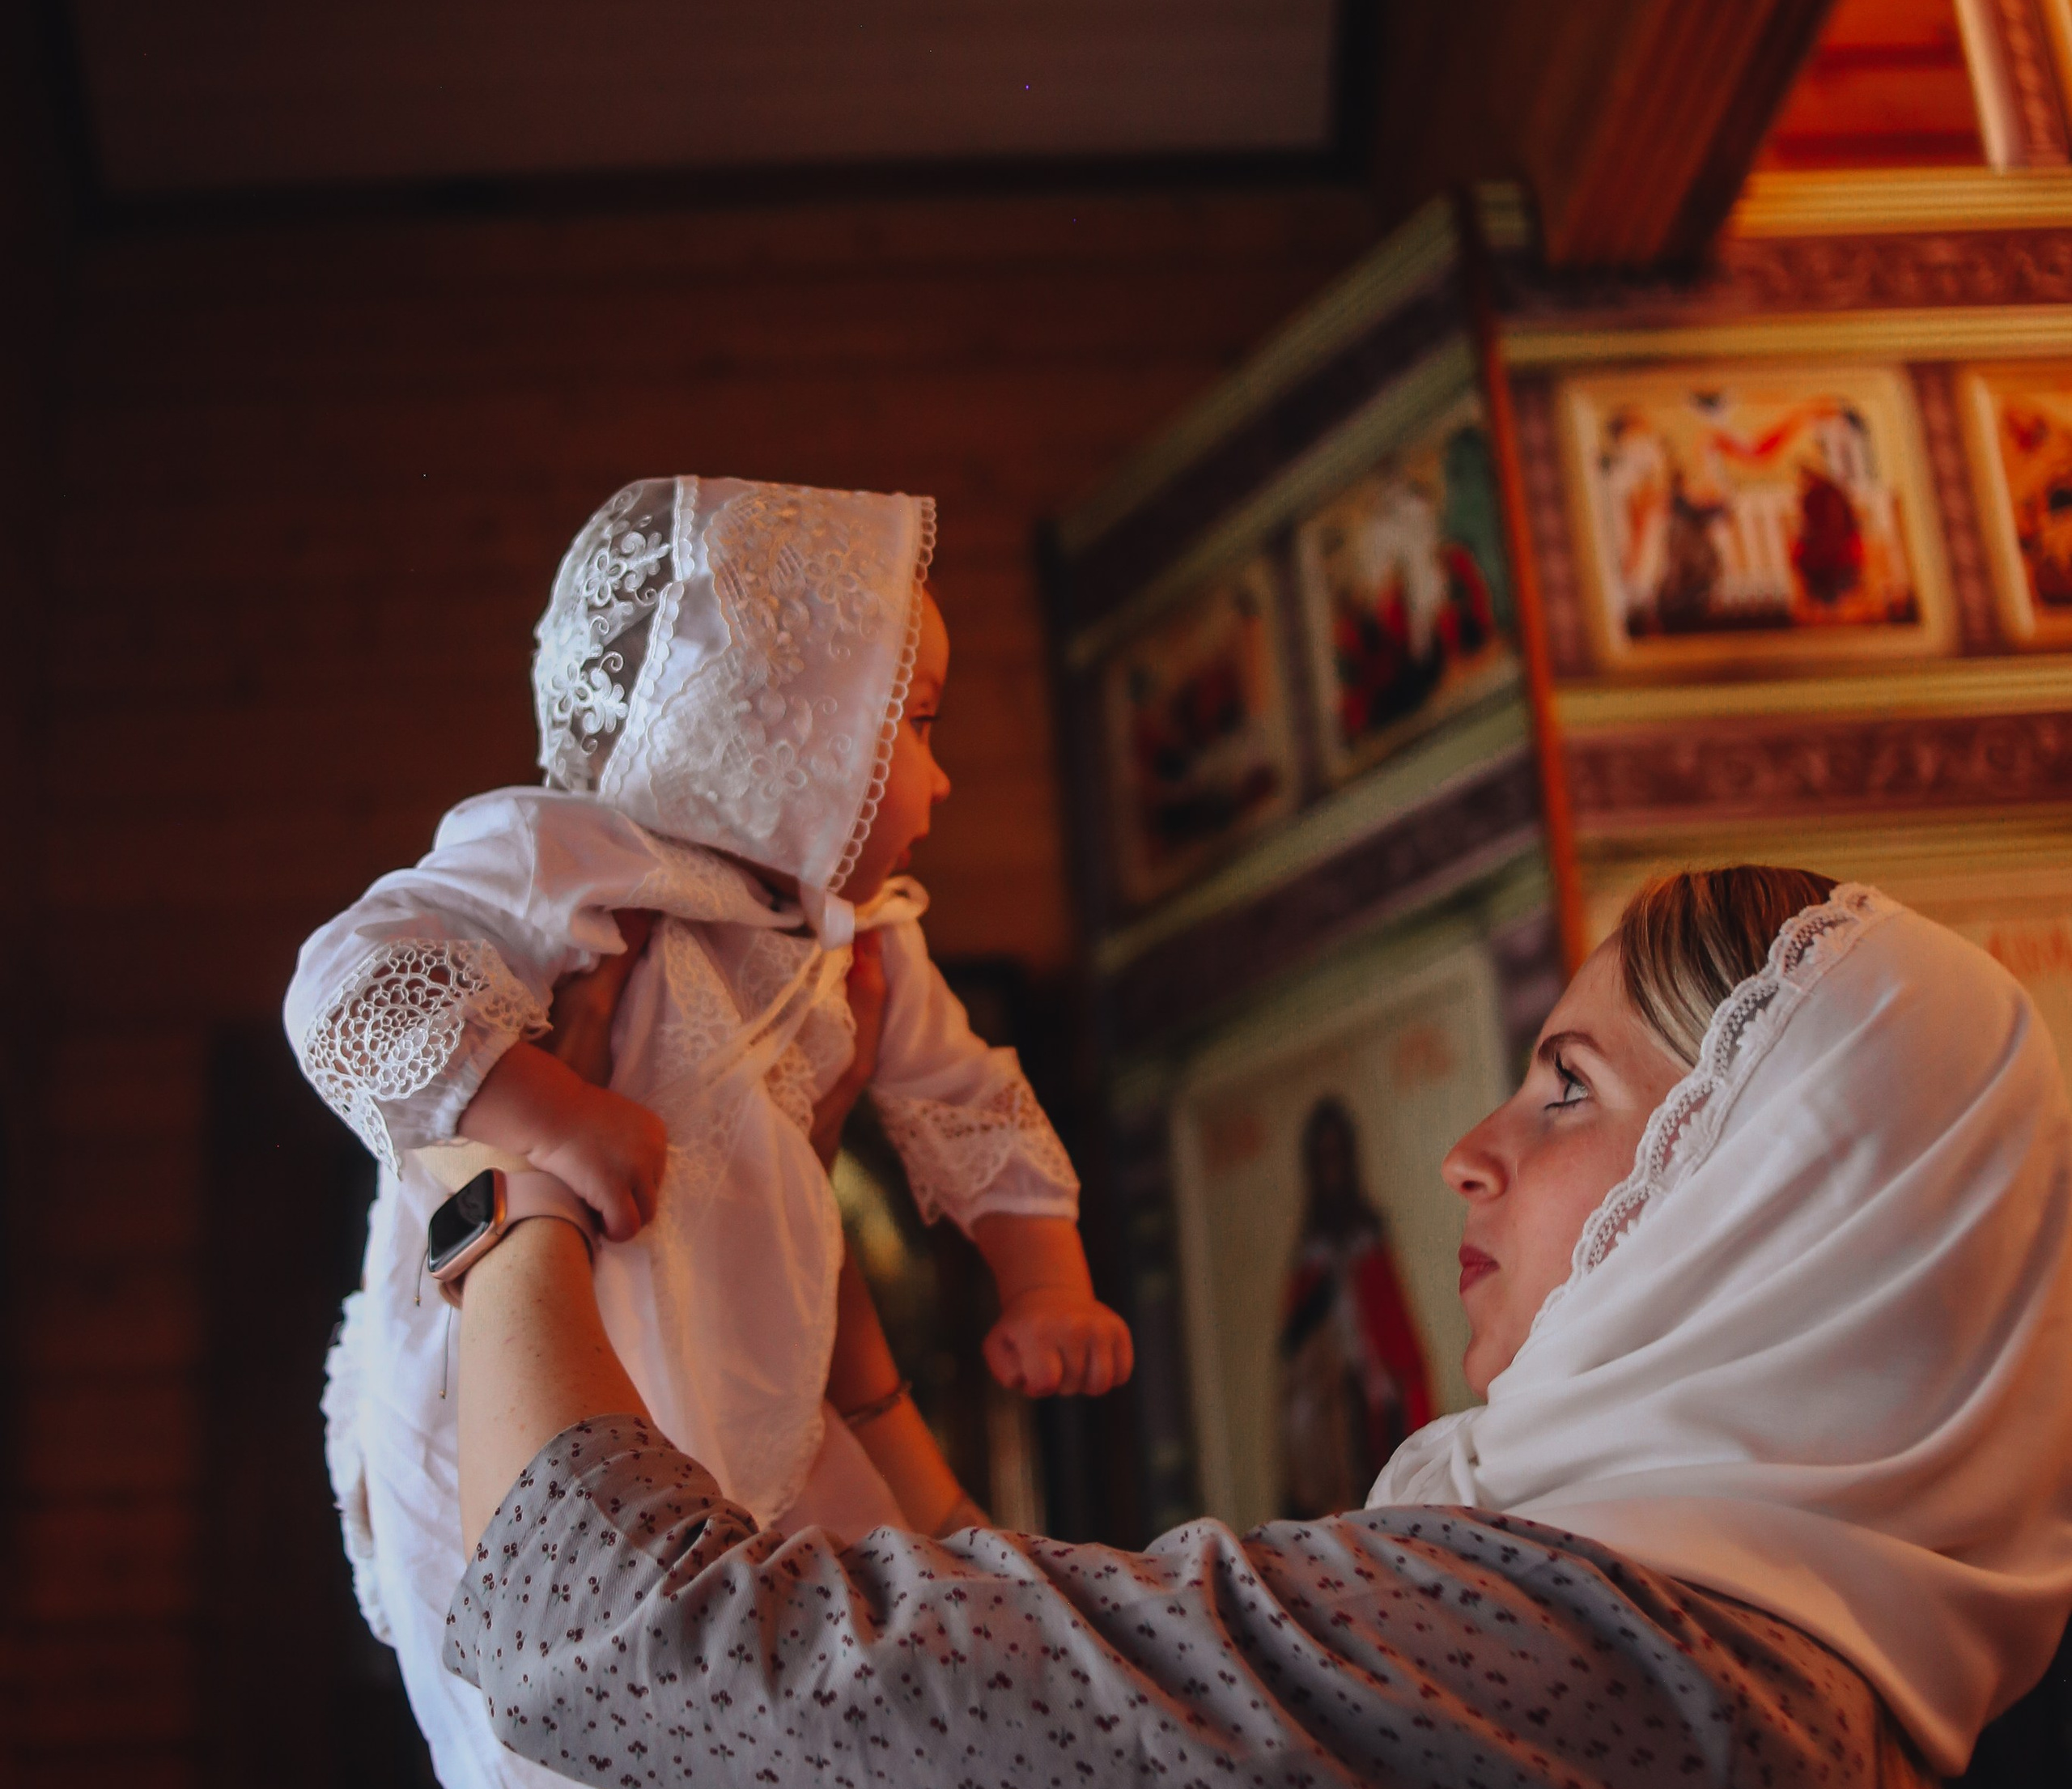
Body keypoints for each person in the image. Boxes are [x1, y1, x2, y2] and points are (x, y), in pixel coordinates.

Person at [418, 865, 2072, 1783]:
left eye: (1567, 1085)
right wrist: (851, 1363)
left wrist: (509, 1184)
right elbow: (1067, 1692)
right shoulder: (1792, 1686)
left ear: (1782, 1201)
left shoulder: (1583, 1658)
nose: (1466, 1150)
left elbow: (623, 1642)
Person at [283, 476, 1132, 1789]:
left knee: (821, 1655)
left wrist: (1045, 1282)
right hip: (518, 1355)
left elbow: (971, 1100)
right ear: (782, 727)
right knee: (530, 1659)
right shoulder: (568, 860)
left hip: (760, 1364)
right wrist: (559, 1116)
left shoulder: (864, 939)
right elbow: (350, 989)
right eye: (916, 724)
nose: (943, 775)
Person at [1276, 1096, 1431, 1515]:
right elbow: (1295, 1354)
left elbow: (1397, 1332)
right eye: (1323, 1157)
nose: (1332, 1168)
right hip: (1328, 1404)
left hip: (1376, 1401)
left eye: (1337, 1155)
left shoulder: (1369, 1234)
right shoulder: (1310, 1252)